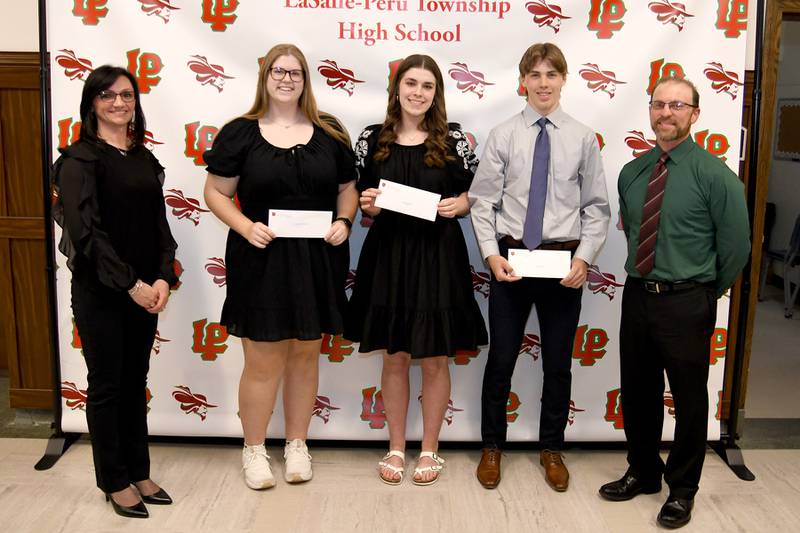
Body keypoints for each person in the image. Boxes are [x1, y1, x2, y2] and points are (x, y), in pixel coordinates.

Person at [203, 44, 357, 490]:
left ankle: (296, 444)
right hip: (261, 257)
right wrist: (244, 225)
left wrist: (345, 221)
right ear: (265, 76)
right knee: (264, 358)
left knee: (306, 355)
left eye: (295, 72)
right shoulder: (241, 133)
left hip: (316, 259)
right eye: (278, 71)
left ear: (307, 80)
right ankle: (253, 449)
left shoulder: (330, 132)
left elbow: (348, 188)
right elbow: (214, 192)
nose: (286, 79)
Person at [599, 76, 749, 529]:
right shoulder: (633, 171)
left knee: (687, 399)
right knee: (638, 392)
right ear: (650, 111)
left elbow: (736, 248)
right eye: (659, 105)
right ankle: (644, 473)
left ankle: (682, 490)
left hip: (688, 300)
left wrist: (703, 290)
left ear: (695, 114)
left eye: (677, 105)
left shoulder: (716, 176)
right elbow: (632, 228)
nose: (666, 113)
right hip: (638, 296)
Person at [469, 42, 610, 492]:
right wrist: (491, 255)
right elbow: (483, 202)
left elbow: (597, 208)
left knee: (558, 364)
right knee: (502, 359)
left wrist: (584, 259)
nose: (543, 82)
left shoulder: (582, 137)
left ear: (564, 79)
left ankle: (551, 447)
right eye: (535, 74)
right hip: (511, 262)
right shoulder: (504, 134)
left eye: (552, 74)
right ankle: (492, 445)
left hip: (563, 265)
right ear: (523, 81)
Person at [345, 54, 488, 486]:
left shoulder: (455, 140)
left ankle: (430, 448)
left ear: (436, 93)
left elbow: (479, 192)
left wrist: (461, 204)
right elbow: (355, 194)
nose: (418, 92)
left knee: (434, 358)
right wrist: (366, 202)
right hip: (388, 256)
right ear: (397, 88)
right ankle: (395, 447)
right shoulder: (371, 138)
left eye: (427, 85)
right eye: (411, 83)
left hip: (437, 256)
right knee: (395, 355)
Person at [52, 65, 178, 518]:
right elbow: (87, 234)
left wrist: (163, 276)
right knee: (106, 386)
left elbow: (159, 225)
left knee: (134, 383)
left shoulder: (143, 159)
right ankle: (114, 479)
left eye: (126, 95)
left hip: (147, 292)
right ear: (91, 104)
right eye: (108, 96)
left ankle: (138, 470)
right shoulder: (79, 160)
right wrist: (132, 284)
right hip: (104, 292)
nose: (119, 103)